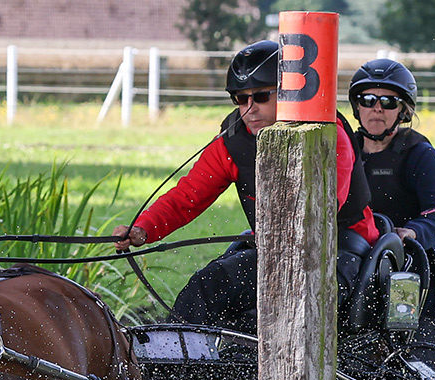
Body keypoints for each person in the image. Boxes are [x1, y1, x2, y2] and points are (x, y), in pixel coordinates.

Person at [115, 40, 379, 331]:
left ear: (288, 92)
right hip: (272, 248)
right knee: (204, 287)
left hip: (339, 245)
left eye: (261, 96)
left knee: (275, 306)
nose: (249, 110)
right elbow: (187, 197)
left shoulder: (329, 135)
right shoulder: (232, 141)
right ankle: (175, 364)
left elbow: (322, 209)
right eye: (241, 99)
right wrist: (143, 228)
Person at [349, 58, 435, 367]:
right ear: (357, 107)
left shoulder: (420, 154)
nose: (377, 108)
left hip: (414, 279)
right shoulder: (344, 150)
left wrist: (411, 232)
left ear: (404, 110)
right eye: (368, 100)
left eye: (388, 102)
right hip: (357, 278)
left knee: (414, 376)